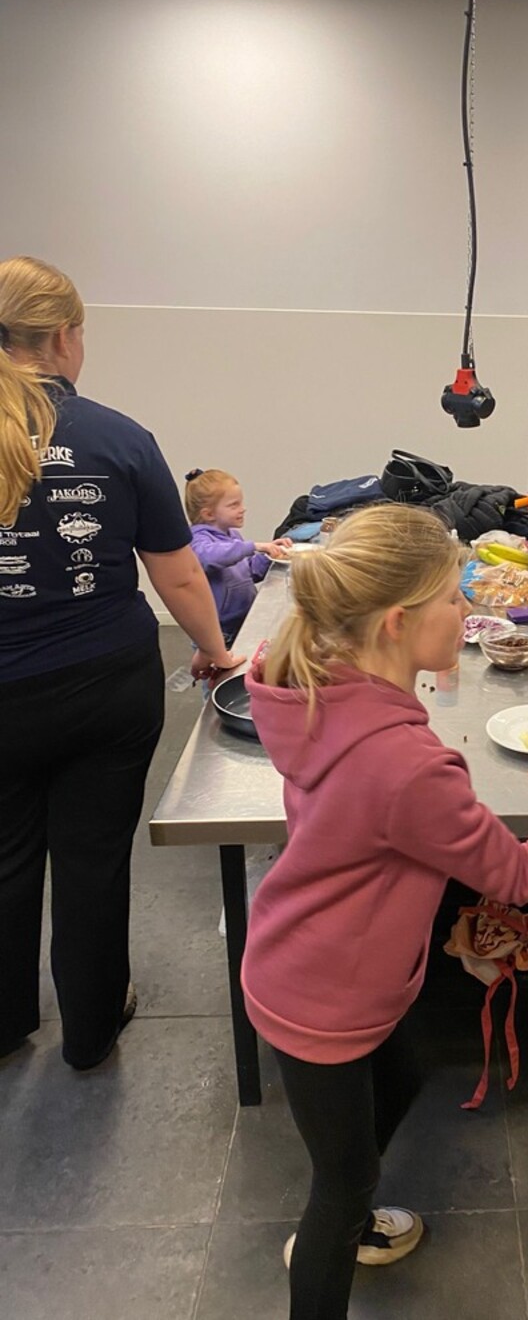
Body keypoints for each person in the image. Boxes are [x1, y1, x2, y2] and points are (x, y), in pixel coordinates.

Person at [239, 503, 528, 1320]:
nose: (466, 608)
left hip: (320, 960)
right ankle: (338, 1229)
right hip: (323, 994)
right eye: (450, 596)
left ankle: (345, 1212)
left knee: (400, 1078)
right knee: (342, 1183)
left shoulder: (318, 683)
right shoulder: (405, 763)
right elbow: (515, 873)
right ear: (396, 623)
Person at [0, 255, 241, 1069]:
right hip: (104, 684)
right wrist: (216, 652)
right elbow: (177, 573)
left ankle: (4, 1022)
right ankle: (92, 1028)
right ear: (66, 335)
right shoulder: (117, 437)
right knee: (93, 857)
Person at [185, 467, 291, 646]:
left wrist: (270, 555)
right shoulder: (197, 540)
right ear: (208, 514)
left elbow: (248, 572)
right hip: (220, 632)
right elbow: (211, 557)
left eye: (241, 503)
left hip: (243, 621)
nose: (243, 509)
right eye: (234, 505)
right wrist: (254, 546)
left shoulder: (232, 535)